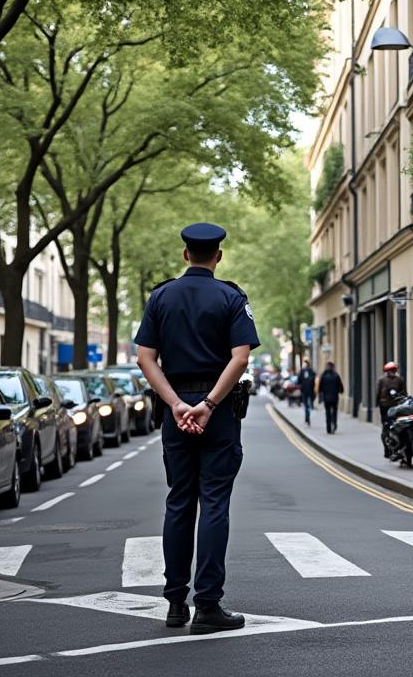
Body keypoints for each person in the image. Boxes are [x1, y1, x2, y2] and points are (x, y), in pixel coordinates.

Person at [135, 222, 259, 636]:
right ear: (217, 256)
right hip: (217, 413)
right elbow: (240, 359)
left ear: (186, 255)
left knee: (179, 502)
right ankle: (207, 605)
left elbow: (145, 358)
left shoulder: (161, 297)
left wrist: (176, 404)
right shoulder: (230, 297)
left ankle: (174, 604)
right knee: (215, 503)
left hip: (175, 413)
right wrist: (207, 405)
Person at [375, 362, 407, 457]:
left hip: (385, 406)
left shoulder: (381, 380)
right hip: (396, 406)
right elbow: (404, 393)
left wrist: (377, 403)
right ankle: (395, 447)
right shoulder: (400, 380)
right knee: (397, 426)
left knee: (386, 427)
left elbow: (378, 393)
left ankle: (387, 449)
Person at [319, 361, 343, 433]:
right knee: (334, 412)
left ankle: (328, 428)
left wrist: (321, 396)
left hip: (326, 398)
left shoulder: (323, 375)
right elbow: (340, 387)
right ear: (333, 367)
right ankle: (334, 424)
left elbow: (320, 388)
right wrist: (340, 391)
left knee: (327, 412)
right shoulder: (336, 375)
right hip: (334, 397)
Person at [296, 359, 317, 426]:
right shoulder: (312, 371)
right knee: (309, 404)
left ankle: (307, 417)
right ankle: (308, 416)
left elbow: (298, 381)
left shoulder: (302, 371)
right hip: (310, 391)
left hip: (304, 391)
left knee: (306, 405)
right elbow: (314, 381)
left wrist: (300, 386)